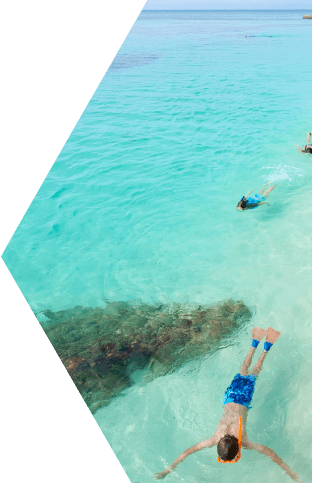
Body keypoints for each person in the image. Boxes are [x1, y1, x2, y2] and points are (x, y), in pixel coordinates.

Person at [153, 327, 301, 482]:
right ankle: (254, 343)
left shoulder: (243, 441)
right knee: (243, 371)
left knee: (253, 374)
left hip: (243, 399)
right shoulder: (215, 439)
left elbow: (269, 453)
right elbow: (189, 451)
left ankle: (265, 350)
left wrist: (291, 473)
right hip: (229, 397)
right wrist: (168, 469)